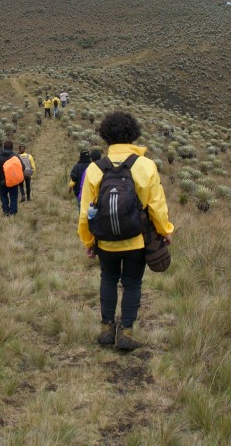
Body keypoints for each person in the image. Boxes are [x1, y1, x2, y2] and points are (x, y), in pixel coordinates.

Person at [77, 111, 174, 351]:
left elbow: (85, 212)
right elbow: (157, 206)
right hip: (137, 241)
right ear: (133, 135)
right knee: (132, 283)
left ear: (106, 135)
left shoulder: (95, 169)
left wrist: (88, 242)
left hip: (106, 242)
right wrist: (165, 230)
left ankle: (107, 330)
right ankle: (127, 334)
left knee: (108, 279)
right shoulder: (146, 166)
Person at [0, 140, 21, 216]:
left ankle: (6, 211)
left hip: (1, 181)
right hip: (13, 181)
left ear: (4, 147)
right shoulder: (15, 156)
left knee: (3, 196)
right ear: (12, 148)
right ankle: (13, 213)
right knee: (13, 196)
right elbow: (22, 166)